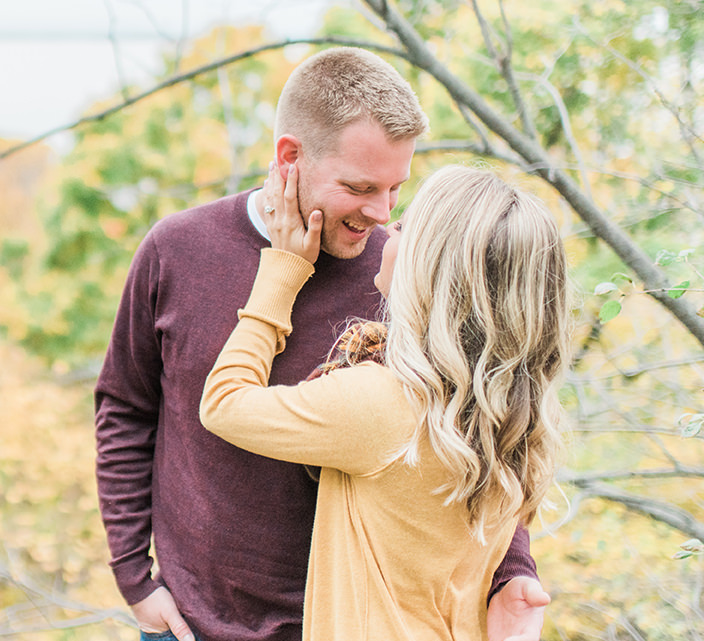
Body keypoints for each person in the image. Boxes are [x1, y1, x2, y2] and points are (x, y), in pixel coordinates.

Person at [94, 47, 550, 641]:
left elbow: (475, 422)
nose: (381, 213)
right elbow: (126, 410)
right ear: (290, 157)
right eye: (360, 186)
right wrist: (135, 577)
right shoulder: (177, 250)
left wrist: (510, 571)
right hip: (186, 626)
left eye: (395, 189)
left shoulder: (404, 279)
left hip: (339, 624)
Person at [199, 162, 569, 640]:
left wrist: (283, 269)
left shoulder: (381, 404)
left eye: (405, 225)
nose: (387, 229)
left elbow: (224, 401)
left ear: (427, 267)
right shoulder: (512, 418)